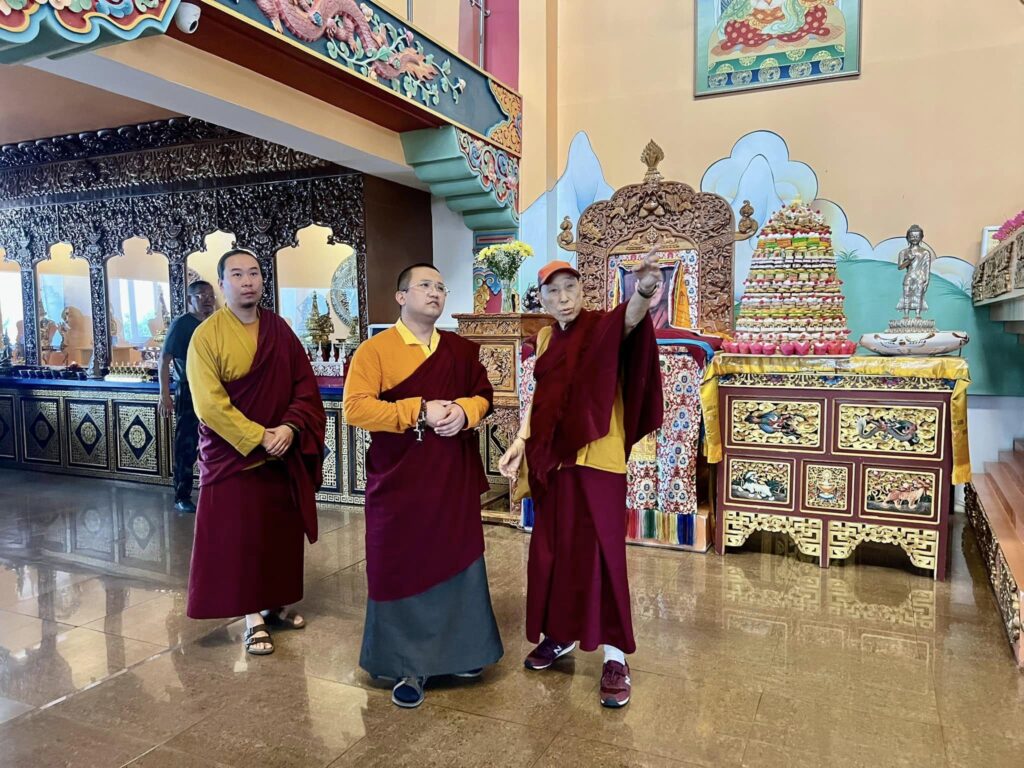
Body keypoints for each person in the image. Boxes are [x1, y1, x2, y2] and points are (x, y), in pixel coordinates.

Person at [498, 247, 664, 709]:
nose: (564, 297)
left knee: (602, 554)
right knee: (555, 549)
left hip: (598, 457)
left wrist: (643, 292)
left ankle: (615, 658)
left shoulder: (602, 325)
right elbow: (540, 397)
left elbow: (630, 321)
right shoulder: (548, 340)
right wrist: (520, 440)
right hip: (553, 460)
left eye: (570, 288)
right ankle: (561, 634)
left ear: (583, 290)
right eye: (554, 291)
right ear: (543, 300)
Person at [344, 262, 503, 709]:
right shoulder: (374, 351)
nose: (435, 293)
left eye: (440, 286)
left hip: (450, 475)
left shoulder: (458, 349)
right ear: (401, 297)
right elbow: (355, 410)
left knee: (458, 561)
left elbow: (484, 394)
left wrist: (463, 410)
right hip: (401, 481)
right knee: (404, 565)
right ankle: (407, 663)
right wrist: (418, 410)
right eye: (424, 286)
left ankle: (463, 653)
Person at [185, 249, 326, 656]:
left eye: (254, 273)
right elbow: (209, 405)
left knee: (277, 535)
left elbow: (304, 385)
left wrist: (289, 427)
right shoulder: (206, 336)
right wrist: (257, 436)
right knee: (240, 538)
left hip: (280, 451)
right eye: (237, 275)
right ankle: (251, 616)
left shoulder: (279, 329)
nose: (247, 281)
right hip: (235, 455)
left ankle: (276, 603)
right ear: (222, 284)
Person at [159, 280, 217, 513]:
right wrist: (165, 394)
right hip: (188, 389)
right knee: (186, 443)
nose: (208, 300)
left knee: (213, 441)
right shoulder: (181, 325)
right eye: (202, 295)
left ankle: (212, 488)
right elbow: (164, 360)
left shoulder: (215, 323)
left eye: (211, 295)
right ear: (190, 299)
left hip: (213, 389)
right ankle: (182, 494)